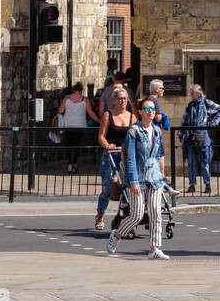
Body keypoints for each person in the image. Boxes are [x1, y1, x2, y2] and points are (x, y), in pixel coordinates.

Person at [107, 99, 169, 259]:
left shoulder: (157, 131)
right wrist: (133, 181)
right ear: (140, 111)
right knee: (137, 215)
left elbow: (158, 155)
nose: (150, 111)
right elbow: (131, 159)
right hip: (138, 178)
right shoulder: (133, 132)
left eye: (153, 109)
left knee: (156, 212)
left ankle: (154, 249)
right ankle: (117, 234)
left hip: (154, 178)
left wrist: (162, 175)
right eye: (147, 108)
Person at [94, 83, 134, 232]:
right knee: (107, 189)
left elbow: (136, 136)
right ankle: (100, 215)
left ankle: (126, 217)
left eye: (125, 99)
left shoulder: (132, 117)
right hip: (111, 155)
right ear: (114, 100)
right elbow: (101, 136)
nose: (122, 101)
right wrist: (107, 145)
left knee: (126, 188)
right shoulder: (108, 115)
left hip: (125, 156)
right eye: (120, 99)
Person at [178, 84, 220, 195]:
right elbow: (185, 120)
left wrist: (213, 123)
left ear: (198, 93)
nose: (190, 94)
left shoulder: (207, 103)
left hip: (203, 136)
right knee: (191, 162)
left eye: (192, 92)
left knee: (204, 161)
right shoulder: (189, 106)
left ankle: (207, 184)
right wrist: (181, 134)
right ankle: (192, 185)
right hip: (190, 136)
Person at [57, 82, 99, 174]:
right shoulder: (85, 99)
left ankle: (70, 165)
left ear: (73, 89)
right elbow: (91, 113)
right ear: (81, 90)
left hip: (68, 125)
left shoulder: (66, 98)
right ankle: (74, 165)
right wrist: (99, 121)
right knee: (75, 146)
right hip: (80, 126)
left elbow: (60, 110)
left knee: (69, 145)